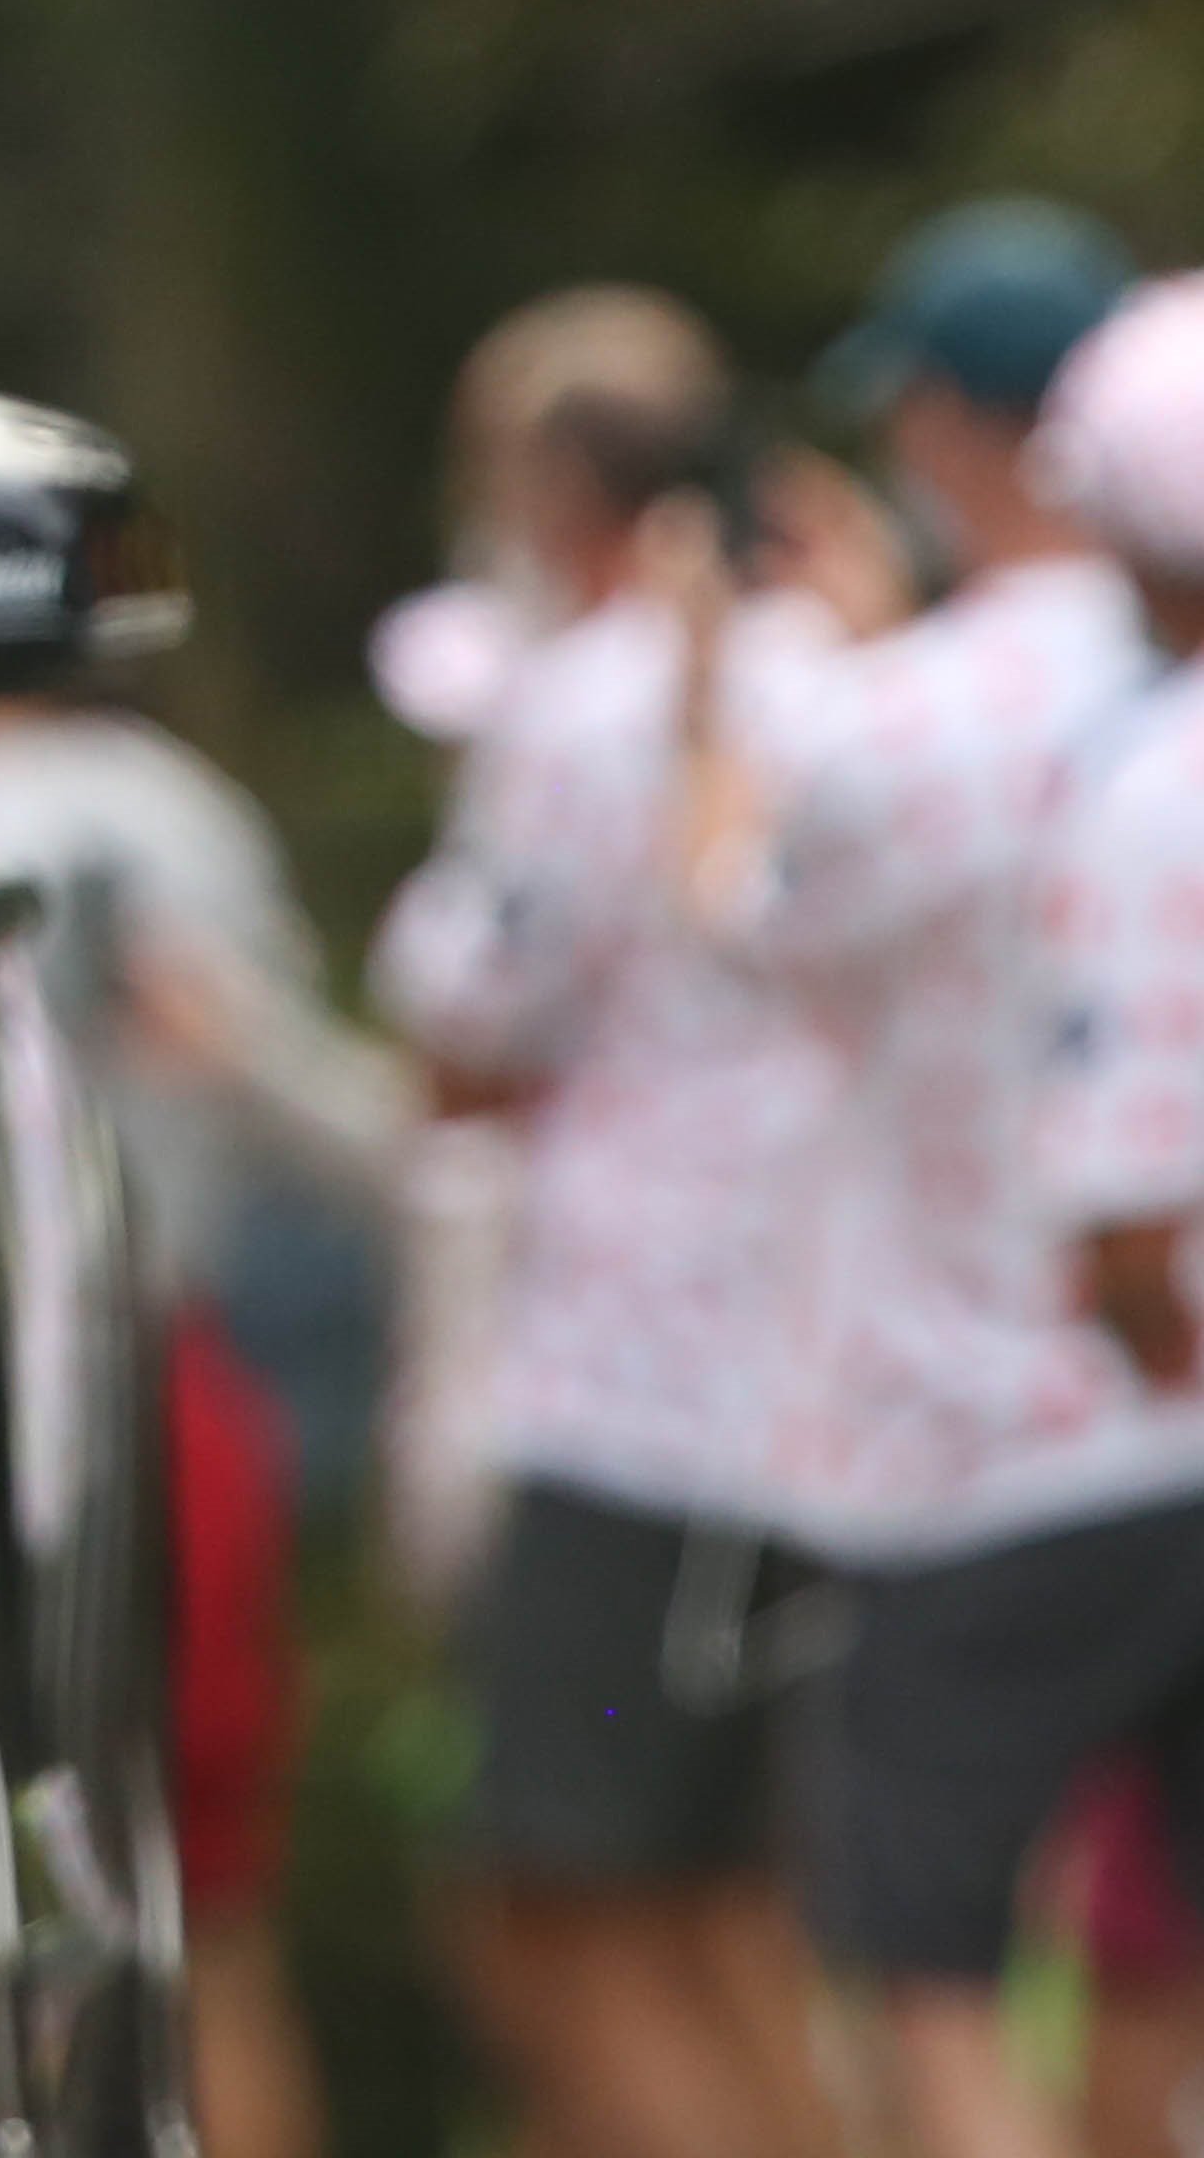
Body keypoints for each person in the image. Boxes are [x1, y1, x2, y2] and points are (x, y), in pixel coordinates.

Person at [712, 226, 1197, 2158]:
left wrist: (757, 678)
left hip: (988, 1432)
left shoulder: (909, 718)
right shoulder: (1126, 705)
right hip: (1171, 1449)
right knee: (1165, 1968)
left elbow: (738, 925)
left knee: (931, 1973)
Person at [368, 286, 850, 2158]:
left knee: (558, 1913)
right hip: (821, 1389)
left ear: (560, 481)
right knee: (743, 1915)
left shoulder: (581, 706)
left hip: (639, 1402)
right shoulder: (839, 673)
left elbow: (463, 1041)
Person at [0, 694, 406, 2158]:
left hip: (49, 1382)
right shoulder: (157, 798)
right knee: (203, 1918)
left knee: (105, 1917)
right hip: (136, 1378)